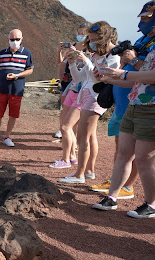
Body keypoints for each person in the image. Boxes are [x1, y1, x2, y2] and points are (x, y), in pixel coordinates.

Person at [92, 5, 155, 218]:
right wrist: (108, 78)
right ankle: (111, 198)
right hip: (136, 105)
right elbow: (138, 82)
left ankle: (151, 205)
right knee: (124, 154)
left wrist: (123, 75)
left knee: (144, 160)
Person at [59, 22, 120, 183]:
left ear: (104, 38)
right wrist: (72, 63)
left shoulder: (113, 56)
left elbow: (98, 78)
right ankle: (88, 171)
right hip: (85, 95)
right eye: (90, 39)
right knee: (89, 135)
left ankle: (79, 174)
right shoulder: (95, 55)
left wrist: (85, 59)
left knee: (82, 137)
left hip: (95, 98)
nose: (91, 43)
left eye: (94, 40)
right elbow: (79, 78)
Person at [50, 24, 89, 169]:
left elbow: (88, 68)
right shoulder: (73, 47)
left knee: (69, 126)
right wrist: (61, 51)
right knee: (66, 123)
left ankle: (68, 158)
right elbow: (62, 63)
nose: (80, 35)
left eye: (83, 33)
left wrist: (81, 56)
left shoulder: (89, 50)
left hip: (81, 89)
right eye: (78, 33)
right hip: (70, 86)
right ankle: (71, 155)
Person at [0, 29, 34, 148]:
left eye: (17, 39)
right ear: (8, 39)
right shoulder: (2, 53)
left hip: (16, 90)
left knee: (13, 114)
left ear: (22, 39)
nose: (15, 41)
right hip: (1, 89)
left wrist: (17, 75)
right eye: (12, 39)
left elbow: (30, 70)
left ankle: (7, 136)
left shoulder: (27, 53)